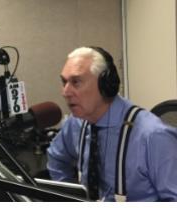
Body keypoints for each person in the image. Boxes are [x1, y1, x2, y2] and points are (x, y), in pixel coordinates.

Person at [46, 46, 177, 201]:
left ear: (105, 84)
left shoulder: (154, 136)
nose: (65, 92)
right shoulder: (77, 123)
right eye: (64, 82)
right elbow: (56, 157)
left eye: (76, 82)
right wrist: (70, 198)